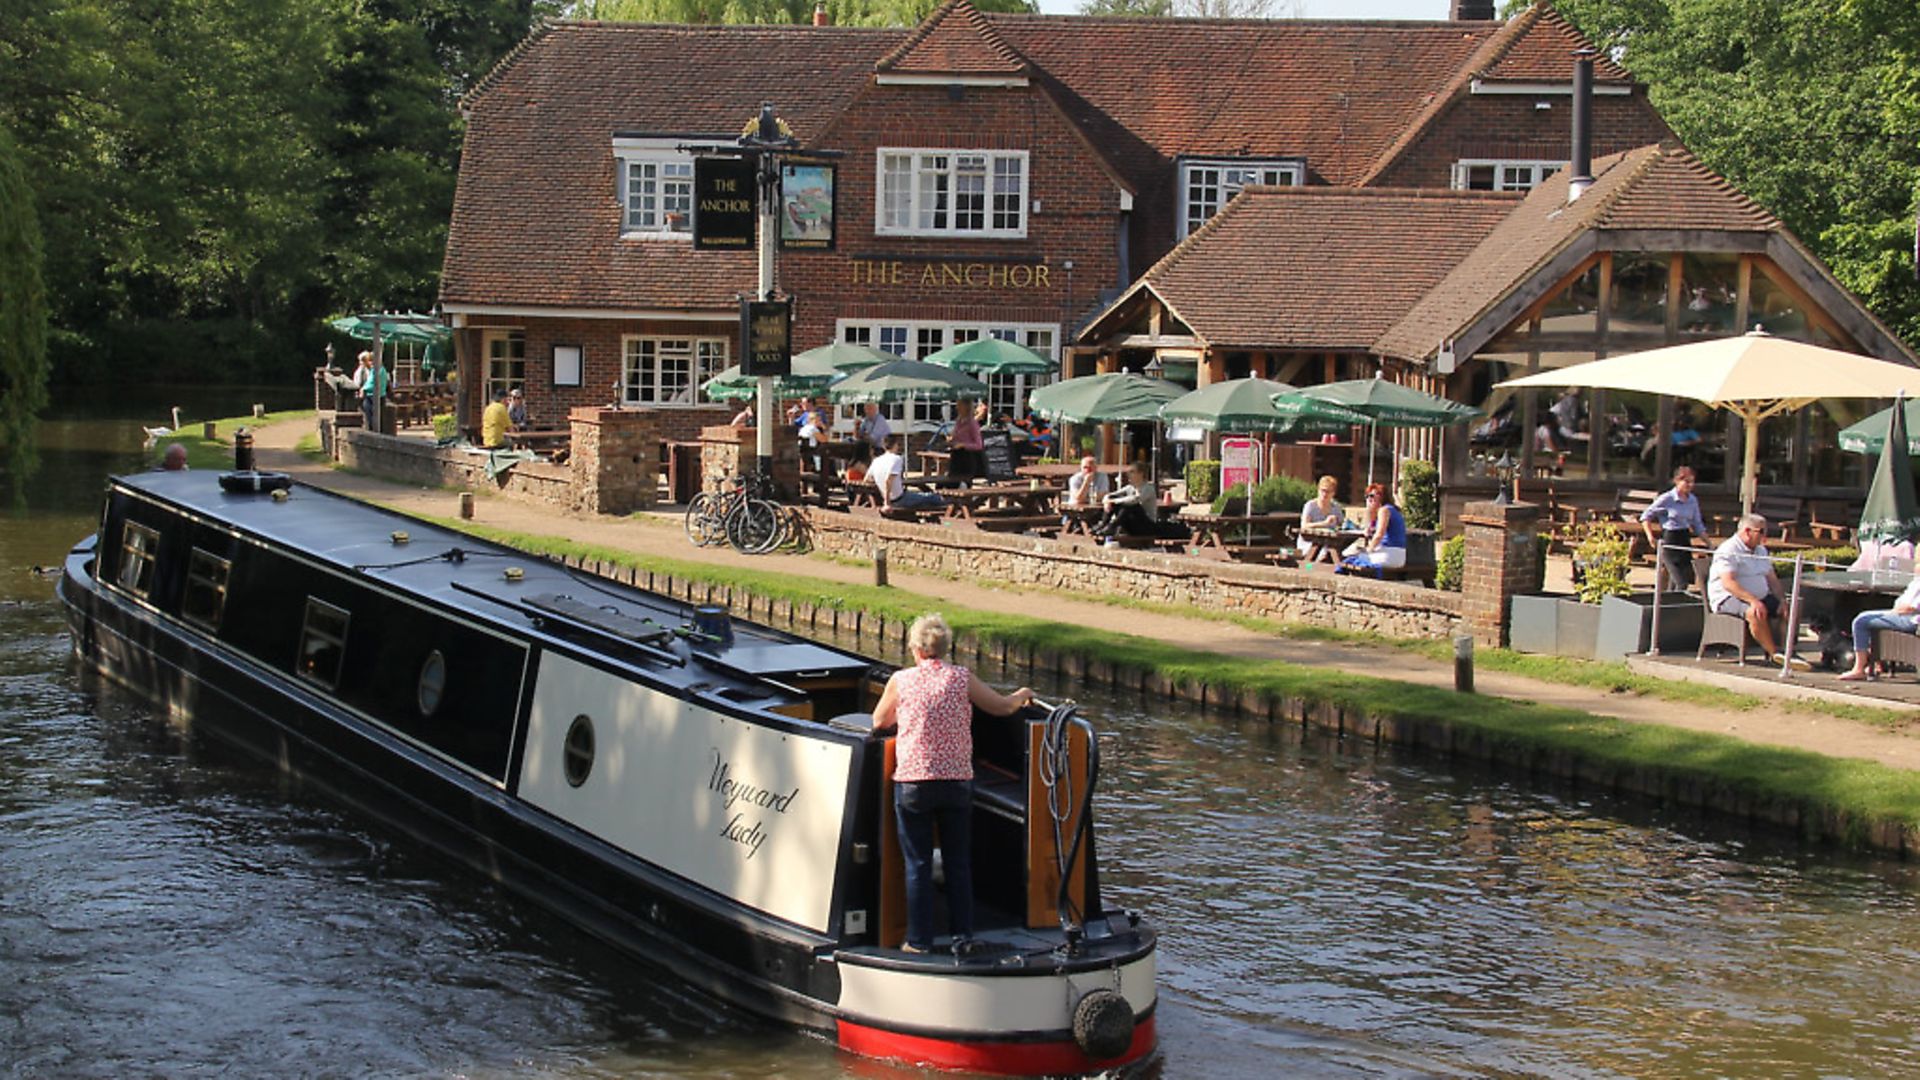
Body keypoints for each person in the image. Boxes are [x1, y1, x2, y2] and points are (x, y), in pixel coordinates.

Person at [870, 613, 1035, 954]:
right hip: (957, 781)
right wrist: (1021, 694)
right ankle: (964, 937)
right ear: (945, 649)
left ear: (915, 648)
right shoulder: (962, 678)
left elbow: (878, 720)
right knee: (958, 863)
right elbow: (1002, 707)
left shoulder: (901, 681)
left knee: (917, 864)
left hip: (914, 782)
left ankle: (918, 941)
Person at [1707, 513, 1807, 668]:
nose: (1764, 536)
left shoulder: (1761, 550)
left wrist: (1782, 599)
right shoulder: (1728, 550)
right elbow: (1728, 583)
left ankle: (1787, 651)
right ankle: (1774, 655)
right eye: (1761, 532)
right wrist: (1753, 601)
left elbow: (1772, 579)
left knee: (1791, 607)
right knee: (1755, 612)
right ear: (1747, 531)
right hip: (1728, 598)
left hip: (1759, 596)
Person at [1837, 571, 1920, 681]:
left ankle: (1859, 668)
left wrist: (1893, 612)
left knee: (1861, 621)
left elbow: (1911, 608)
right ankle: (1874, 664)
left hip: (1911, 619)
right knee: (1866, 618)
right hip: (1905, 615)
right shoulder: (1917, 580)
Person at [1639, 466, 1709, 590]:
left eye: (1692, 482)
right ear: (1677, 481)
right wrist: (1650, 537)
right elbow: (1646, 516)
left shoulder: (1692, 500)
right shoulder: (1667, 498)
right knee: (1681, 582)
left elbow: (1697, 524)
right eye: (1686, 481)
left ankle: (1670, 605)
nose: (1690, 485)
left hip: (1684, 539)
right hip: (1670, 540)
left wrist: (1708, 543)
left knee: (1683, 579)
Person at [1340, 482, 1406, 573]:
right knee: (1351, 555)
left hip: (1389, 555)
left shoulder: (1384, 510)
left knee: (1349, 557)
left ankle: (1315, 569)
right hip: (1398, 556)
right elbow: (1374, 531)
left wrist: (1369, 549)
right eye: (1367, 496)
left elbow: (1379, 535)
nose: (1369, 499)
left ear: (1382, 496)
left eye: (1372, 496)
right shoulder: (1391, 510)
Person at [868, 435, 945, 512]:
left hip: (889, 498)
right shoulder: (896, 459)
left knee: (923, 497)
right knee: (932, 497)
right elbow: (888, 481)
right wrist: (887, 503)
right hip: (899, 499)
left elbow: (867, 479)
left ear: (883, 446)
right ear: (895, 445)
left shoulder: (876, 461)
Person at [1093, 463, 1157, 539]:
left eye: (1132, 472)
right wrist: (1107, 500)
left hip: (1146, 526)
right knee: (1117, 500)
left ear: (1141, 474)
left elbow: (1135, 499)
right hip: (1131, 523)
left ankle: (1111, 526)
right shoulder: (1130, 487)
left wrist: (1113, 501)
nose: (1128, 474)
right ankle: (1104, 524)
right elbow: (1110, 495)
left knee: (1130, 505)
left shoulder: (1148, 488)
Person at [1297, 475, 1344, 559]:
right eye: (1323, 490)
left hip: (1330, 543)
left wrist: (1338, 524)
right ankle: (1309, 569)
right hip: (1309, 542)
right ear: (1318, 490)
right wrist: (1324, 523)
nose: (1324, 494)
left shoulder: (1336, 508)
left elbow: (1342, 525)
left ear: (1333, 493)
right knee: (1323, 553)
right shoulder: (1310, 505)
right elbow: (1304, 526)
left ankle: (1318, 569)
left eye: (1328, 491)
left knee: (1338, 552)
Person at [948, 397, 984, 482]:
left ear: (966, 406)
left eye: (959, 405)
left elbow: (979, 445)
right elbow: (956, 438)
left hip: (967, 459)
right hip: (956, 458)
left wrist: (963, 445)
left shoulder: (972, 423)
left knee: (961, 485)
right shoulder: (959, 422)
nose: (957, 408)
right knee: (945, 484)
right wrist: (951, 440)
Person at [356, 351, 388, 432]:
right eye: (369, 361)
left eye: (371, 361)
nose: (370, 363)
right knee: (375, 418)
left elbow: (372, 383)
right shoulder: (380, 369)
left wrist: (363, 389)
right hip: (379, 396)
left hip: (373, 396)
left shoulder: (377, 370)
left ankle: (373, 434)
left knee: (371, 418)